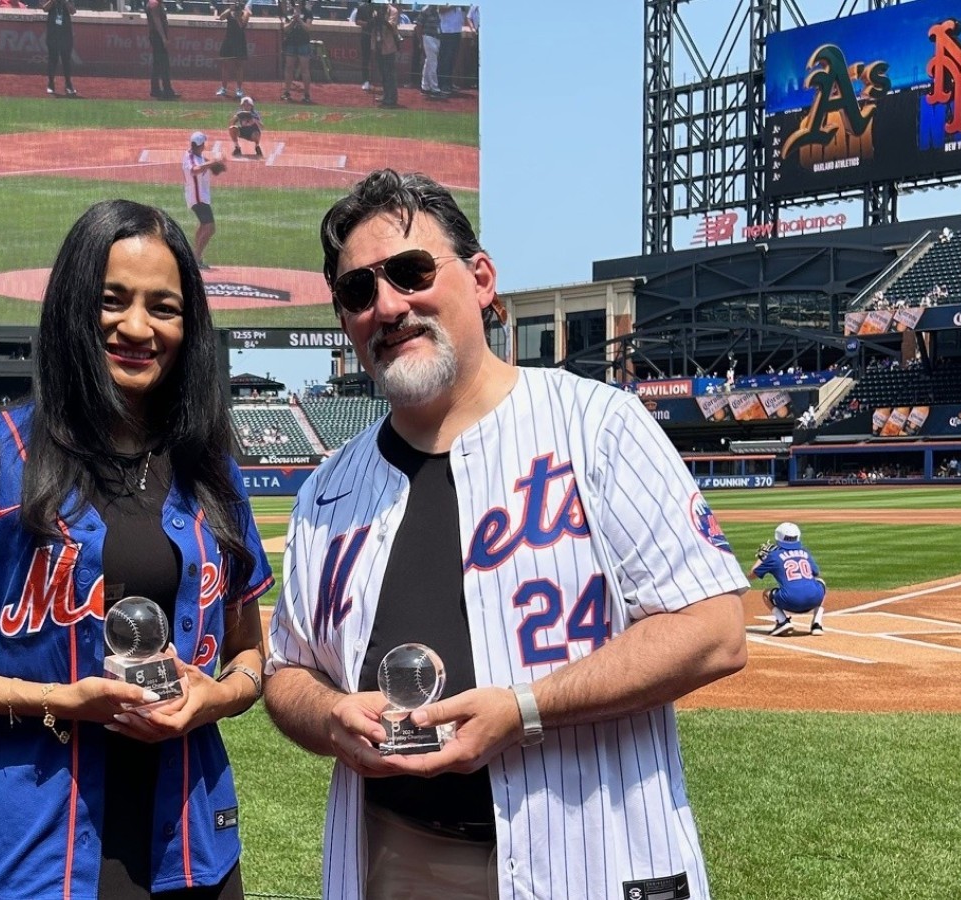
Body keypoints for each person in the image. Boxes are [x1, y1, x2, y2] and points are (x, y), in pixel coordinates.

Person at [262, 169, 751, 900]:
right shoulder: (327, 491)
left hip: (591, 854)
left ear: (482, 278)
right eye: (359, 292)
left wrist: (523, 710)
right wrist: (329, 715)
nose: (388, 305)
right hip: (396, 860)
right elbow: (287, 673)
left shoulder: (598, 426)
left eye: (409, 272)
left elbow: (713, 631)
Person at [0, 199, 274, 900]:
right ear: (73, 308)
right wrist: (57, 698)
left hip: (194, 850)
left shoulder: (210, 469)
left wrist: (217, 696)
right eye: (112, 301)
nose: (137, 327)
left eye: (163, 307)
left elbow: (252, 654)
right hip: (32, 856)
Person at [749, 521, 827, 636]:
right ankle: (817, 624)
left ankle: (782, 621)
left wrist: (762, 558)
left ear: (778, 537)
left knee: (767, 593)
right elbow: (816, 573)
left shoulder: (774, 556)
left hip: (790, 602)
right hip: (813, 600)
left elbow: (751, 576)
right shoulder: (805, 552)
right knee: (821, 583)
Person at [183, 131, 222, 269]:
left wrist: (216, 165)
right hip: (197, 198)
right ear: (200, 145)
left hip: (201, 197)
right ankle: (196, 258)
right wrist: (212, 162)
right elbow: (195, 170)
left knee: (204, 225)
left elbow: (209, 167)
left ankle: (195, 256)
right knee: (210, 227)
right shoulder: (190, 157)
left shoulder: (198, 156)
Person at [279, 0, 314, 104]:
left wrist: (299, 19)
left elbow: (308, 28)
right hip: (291, 43)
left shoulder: (308, 12)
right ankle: (286, 92)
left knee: (305, 69)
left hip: (303, 43)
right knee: (289, 68)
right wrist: (293, 20)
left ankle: (306, 94)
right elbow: (285, 28)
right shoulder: (288, 13)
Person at [214, 0, 250, 99]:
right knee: (225, 65)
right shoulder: (230, 11)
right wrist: (230, 9)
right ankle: (224, 88)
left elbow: (241, 25)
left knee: (239, 66)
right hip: (228, 40)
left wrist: (238, 16)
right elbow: (221, 18)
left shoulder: (245, 13)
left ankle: (239, 89)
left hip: (239, 41)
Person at [42, 0, 79, 97]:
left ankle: (68, 84)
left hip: (66, 33)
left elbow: (73, 11)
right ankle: (51, 84)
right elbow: (44, 8)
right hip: (53, 33)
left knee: (66, 60)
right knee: (52, 59)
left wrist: (65, 2)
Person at [372, 1, 402, 108]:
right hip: (379, 45)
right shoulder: (376, 11)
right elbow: (373, 27)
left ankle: (392, 98)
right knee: (383, 73)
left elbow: (392, 26)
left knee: (390, 74)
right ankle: (385, 95)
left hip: (389, 46)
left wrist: (383, 20)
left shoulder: (393, 11)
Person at [146, 0, 178, 99]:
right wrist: (163, 38)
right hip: (157, 36)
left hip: (157, 36)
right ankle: (166, 90)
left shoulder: (158, 4)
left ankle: (156, 89)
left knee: (158, 63)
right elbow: (157, 21)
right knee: (163, 64)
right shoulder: (154, 3)